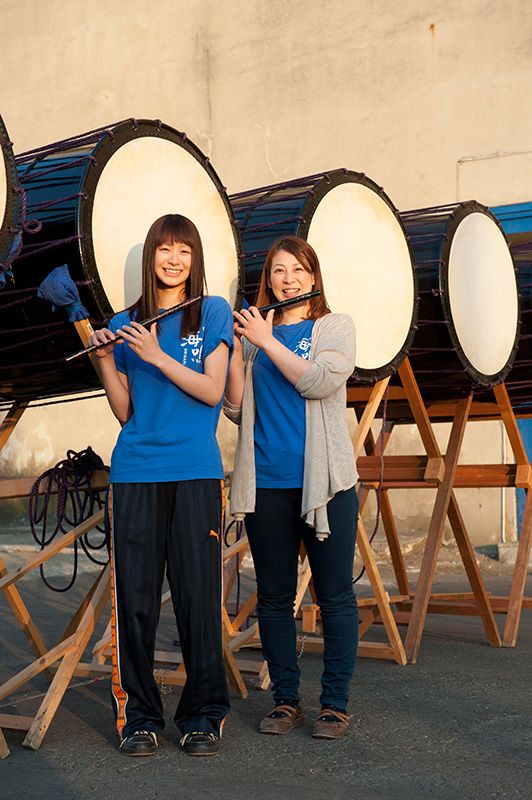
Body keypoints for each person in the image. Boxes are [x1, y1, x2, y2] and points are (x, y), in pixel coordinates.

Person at [88, 214, 232, 757]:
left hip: (195, 470)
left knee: (198, 598)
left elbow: (213, 390)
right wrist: (107, 361)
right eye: (164, 249)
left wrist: (155, 355)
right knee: (136, 602)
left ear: (195, 259)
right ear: (151, 256)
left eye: (184, 251)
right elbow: (126, 412)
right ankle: (140, 718)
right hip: (135, 472)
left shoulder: (211, 312)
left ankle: (202, 716)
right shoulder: (125, 323)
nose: (174, 260)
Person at [224, 235, 358, 740]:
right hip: (267, 484)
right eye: (279, 270)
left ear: (314, 277)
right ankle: (285, 701)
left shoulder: (334, 326)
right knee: (275, 597)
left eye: (299, 269)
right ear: (268, 279)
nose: (289, 279)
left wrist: (266, 341)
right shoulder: (253, 336)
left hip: (326, 485)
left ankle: (334, 705)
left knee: (334, 595)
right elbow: (237, 410)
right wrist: (233, 349)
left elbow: (319, 381)